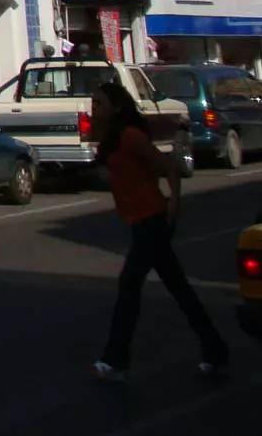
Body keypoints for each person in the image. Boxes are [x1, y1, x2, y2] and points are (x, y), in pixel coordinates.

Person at [92, 79, 228, 380]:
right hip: (140, 219)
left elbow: (168, 166)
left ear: (115, 107)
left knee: (129, 286)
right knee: (179, 288)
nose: (94, 108)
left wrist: (174, 203)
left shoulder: (130, 136)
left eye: (99, 103)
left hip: (152, 219)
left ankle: (116, 360)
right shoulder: (112, 139)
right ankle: (215, 348)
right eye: (93, 103)